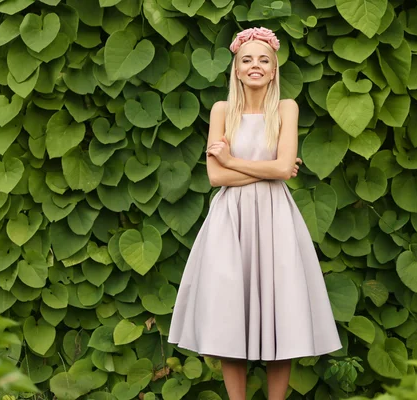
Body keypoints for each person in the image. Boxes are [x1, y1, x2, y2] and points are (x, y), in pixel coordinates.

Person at [168, 27, 342, 400]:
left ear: (275, 69)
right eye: (247, 60)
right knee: (232, 312)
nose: (255, 66)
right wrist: (261, 167)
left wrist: (234, 161)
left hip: (276, 219)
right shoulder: (221, 111)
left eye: (264, 60)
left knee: (282, 311)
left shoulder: (285, 109)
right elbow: (216, 177)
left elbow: (281, 172)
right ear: (236, 69)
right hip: (231, 222)